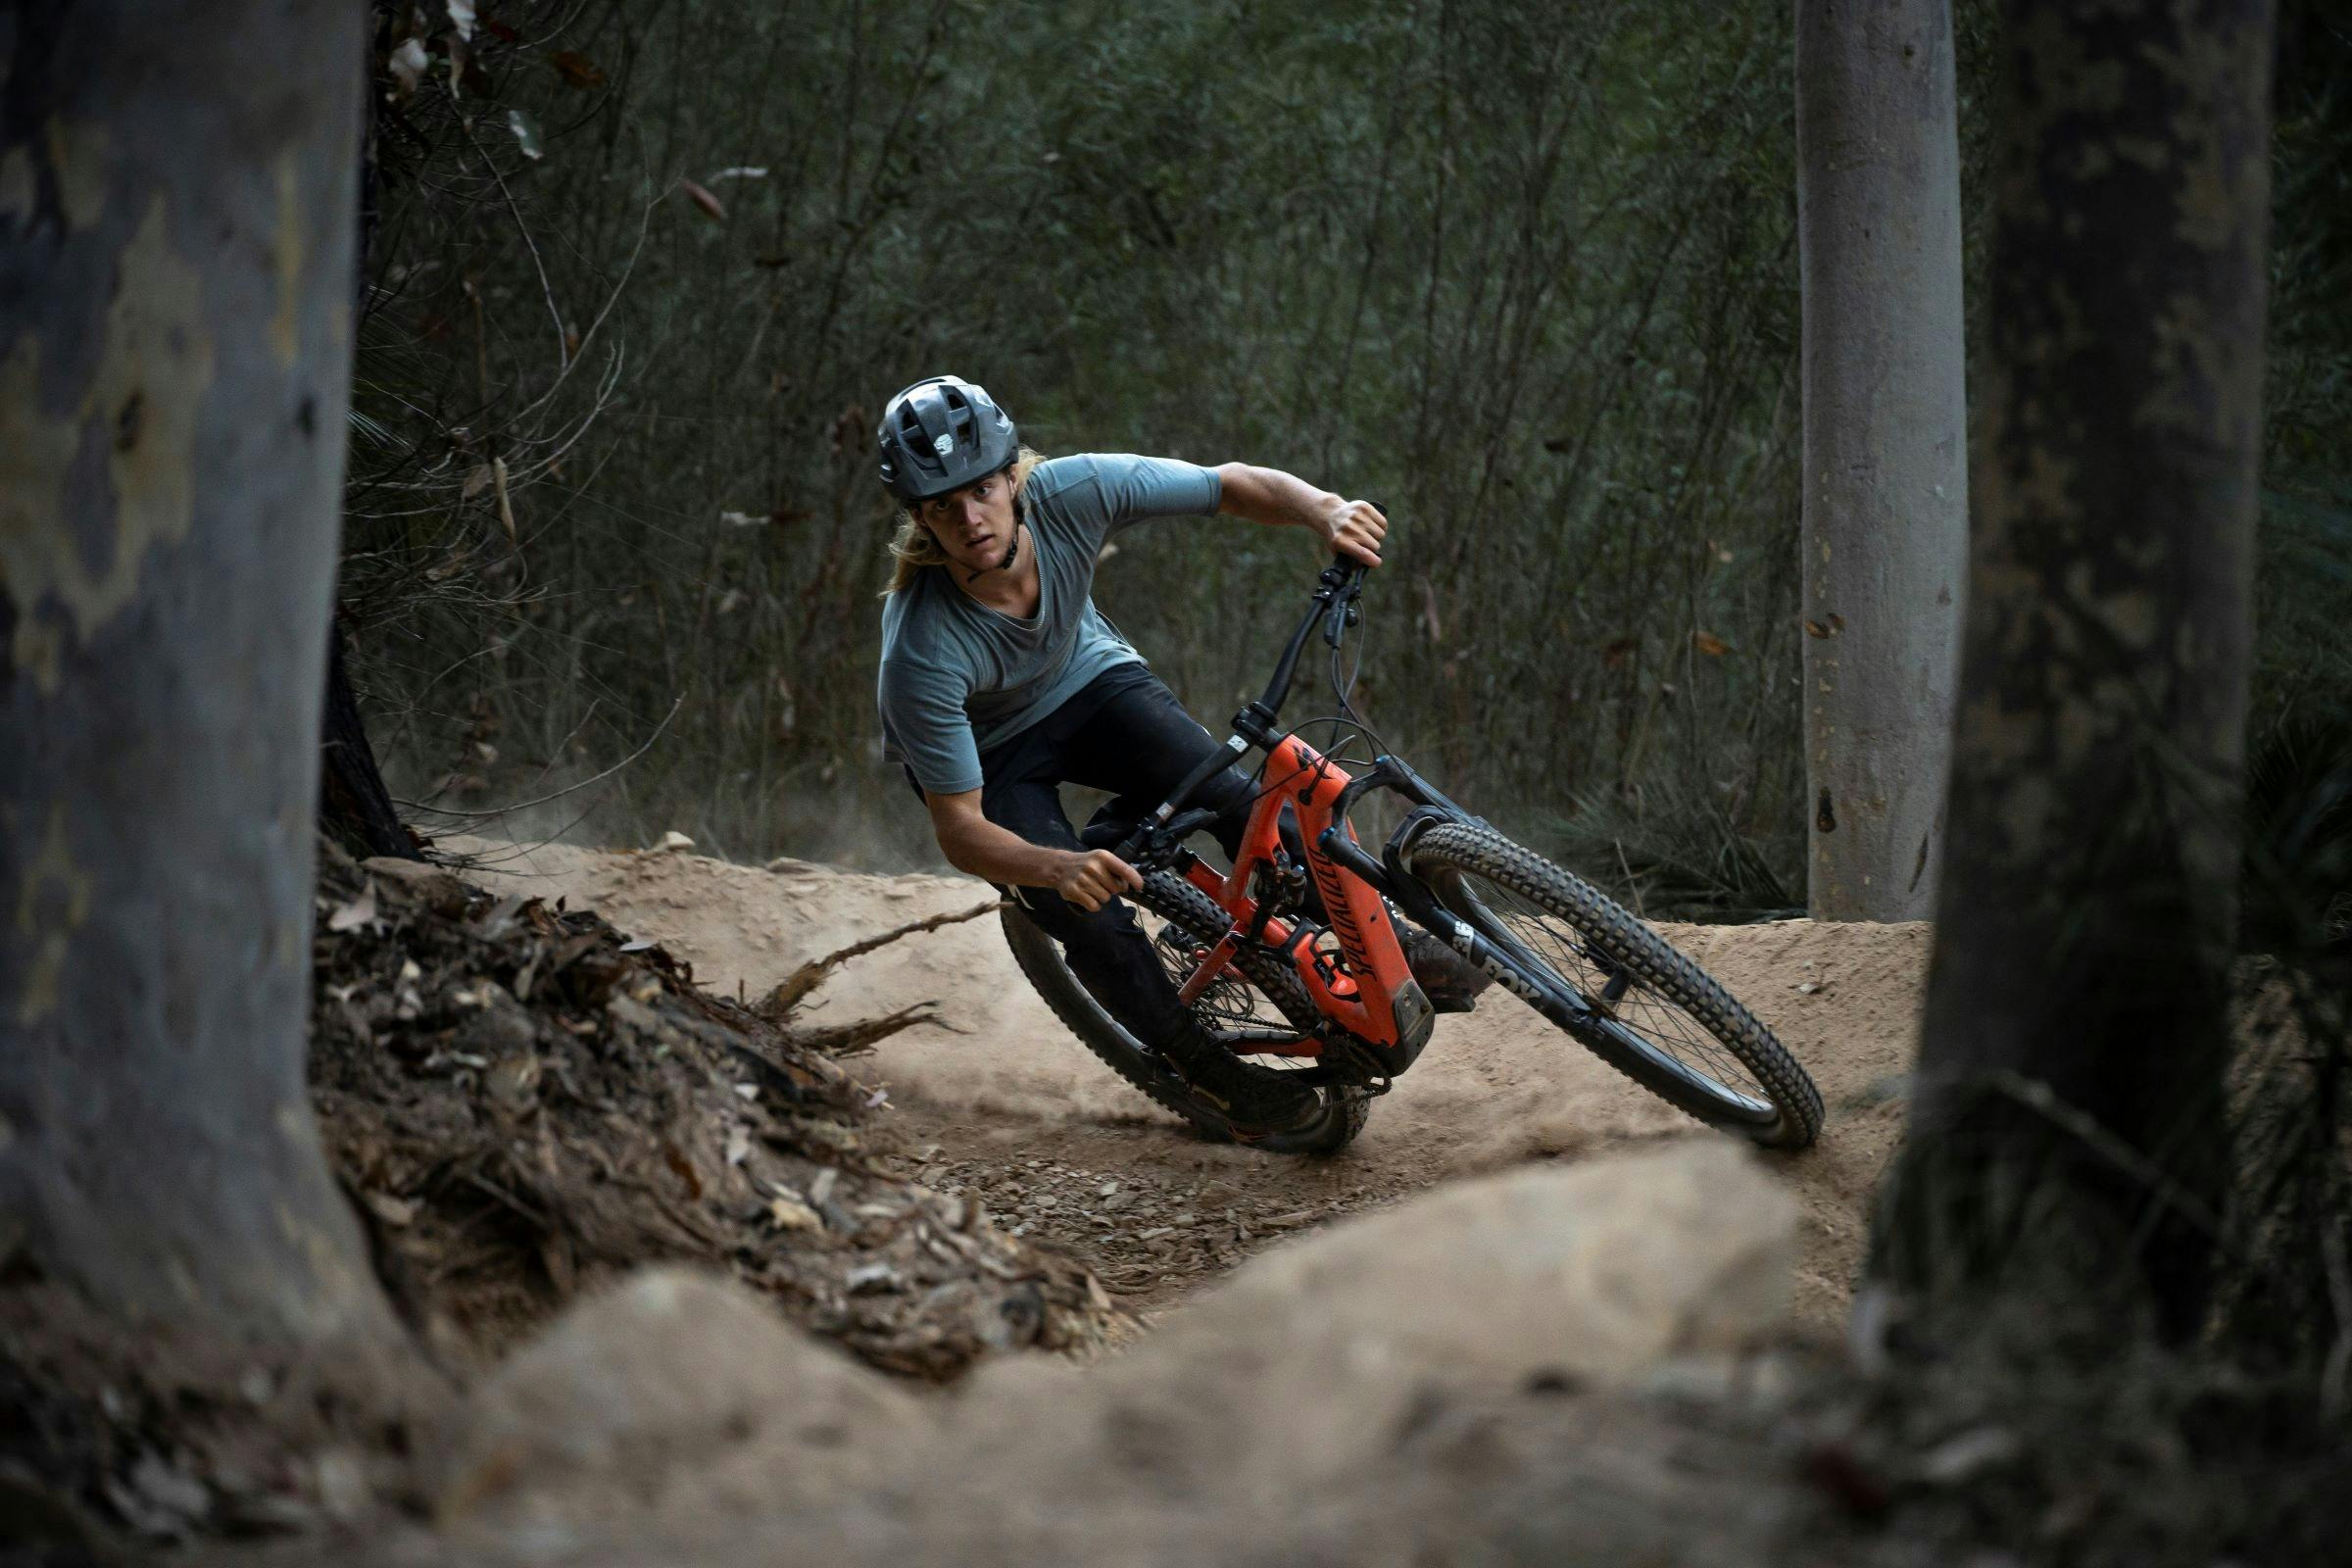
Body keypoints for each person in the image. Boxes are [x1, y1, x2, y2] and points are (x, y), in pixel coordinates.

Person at [873, 374, 1482, 1136]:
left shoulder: (1073, 492)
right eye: (942, 507)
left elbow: (1230, 485)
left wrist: (1323, 510)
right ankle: (1209, 1074)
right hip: (991, 756)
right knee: (1090, 921)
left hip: (1087, 680)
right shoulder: (920, 650)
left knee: (1238, 799)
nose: (970, 518)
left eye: (982, 490)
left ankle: (1387, 947)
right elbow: (959, 831)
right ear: (919, 518)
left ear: (1012, 475)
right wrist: (1057, 868)